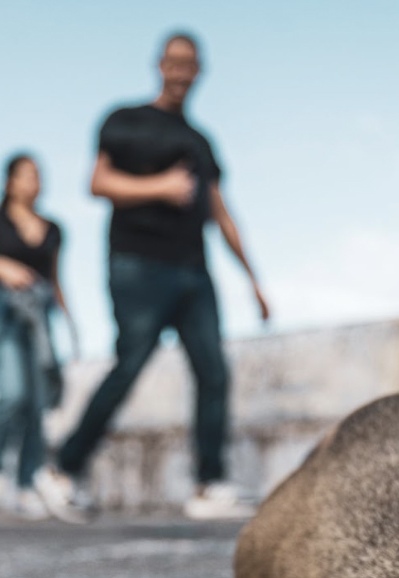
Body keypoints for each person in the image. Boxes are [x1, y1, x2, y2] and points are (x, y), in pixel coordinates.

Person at [50, 31, 270, 520]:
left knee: (214, 371)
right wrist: (161, 187)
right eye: (173, 62)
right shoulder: (124, 120)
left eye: (189, 64)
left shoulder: (201, 142)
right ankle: (64, 468)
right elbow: (98, 182)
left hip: (195, 270)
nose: (180, 72)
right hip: (137, 265)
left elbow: (221, 212)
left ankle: (208, 485)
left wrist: (253, 279)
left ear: (199, 72)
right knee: (130, 365)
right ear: (159, 66)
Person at [0, 153, 82, 520]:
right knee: (13, 392)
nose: (34, 182)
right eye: (27, 176)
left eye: (38, 176)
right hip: (6, 314)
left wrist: (69, 324)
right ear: (9, 181)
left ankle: (27, 482)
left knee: (38, 402)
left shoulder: (54, 228)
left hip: (40, 318)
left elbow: (57, 279)